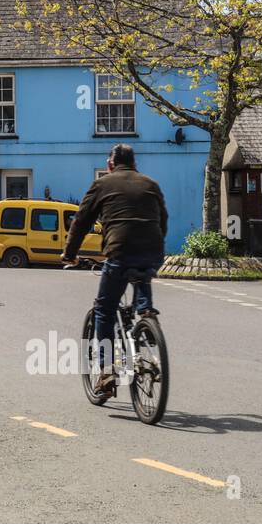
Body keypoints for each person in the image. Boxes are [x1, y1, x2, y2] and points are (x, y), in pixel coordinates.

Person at [61, 144, 168, 394]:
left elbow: (81, 221)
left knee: (104, 310)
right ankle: (146, 316)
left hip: (119, 252)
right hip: (153, 251)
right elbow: (163, 220)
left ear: (110, 164)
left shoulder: (102, 184)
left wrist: (69, 253)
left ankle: (106, 371)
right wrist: (154, 250)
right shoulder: (151, 184)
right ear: (134, 164)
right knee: (143, 276)